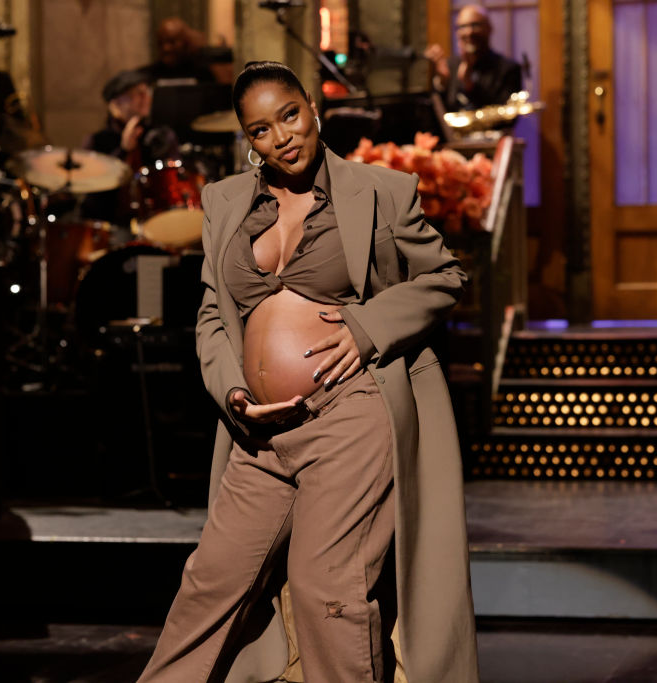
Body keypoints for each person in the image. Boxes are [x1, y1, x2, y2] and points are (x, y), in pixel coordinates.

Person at [138, 61, 478, 682]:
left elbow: (445, 275)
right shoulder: (225, 202)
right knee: (210, 582)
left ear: (312, 108)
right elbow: (213, 314)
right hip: (260, 433)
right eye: (261, 129)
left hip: (350, 415)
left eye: (290, 115)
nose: (282, 137)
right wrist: (234, 391)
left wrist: (367, 328)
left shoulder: (380, 190)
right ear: (248, 139)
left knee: (328, 589)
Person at [81, 69, 178, 226]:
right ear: (115, 104)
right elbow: (94, 192)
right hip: (111, 223)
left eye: (147, 92)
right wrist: (124, 149)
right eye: (137, 94)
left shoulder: (161, 135)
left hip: (157, 220)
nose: (145, 98)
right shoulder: (97, 141)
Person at [424, 4, 523, 111]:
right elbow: (441, 111)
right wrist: (442, 83)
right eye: (463, 27)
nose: (469, 32)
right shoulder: (450, 66)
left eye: (475, 25)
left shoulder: (508, 69)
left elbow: (506, 114)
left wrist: (469, 84)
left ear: (489, 28)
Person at [143, 16, 217, 85]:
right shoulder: (148, 74)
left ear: (185, 42)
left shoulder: (202, 73)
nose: (165, 48)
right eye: (160, 42)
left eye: (172, 42)